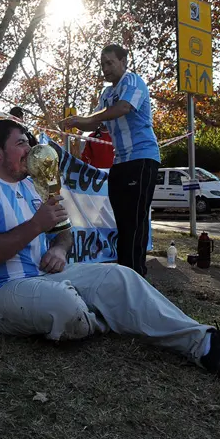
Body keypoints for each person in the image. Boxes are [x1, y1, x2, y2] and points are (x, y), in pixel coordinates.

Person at [0, 118, 220, 380]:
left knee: (120, 277)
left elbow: (63, 233)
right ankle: (102, 313)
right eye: (21, 143)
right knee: (63, 306)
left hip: (42, 277)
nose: (30, 149)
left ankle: (210, 345)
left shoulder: (32, 187)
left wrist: (59, 250)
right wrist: (35, 225)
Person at [61, 44, 159, 276]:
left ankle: (135, 273)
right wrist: (73, 122)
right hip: (120, 162)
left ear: (124, 61)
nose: (105, 69)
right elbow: (95, 122)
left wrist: (85, 119)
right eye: (102, 64)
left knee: (135, 218)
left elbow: (123, 108)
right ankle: (125, 271)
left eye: (110, 63)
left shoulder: (133, 82)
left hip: (142, 158)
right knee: (122, 219)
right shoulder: (106, 94)